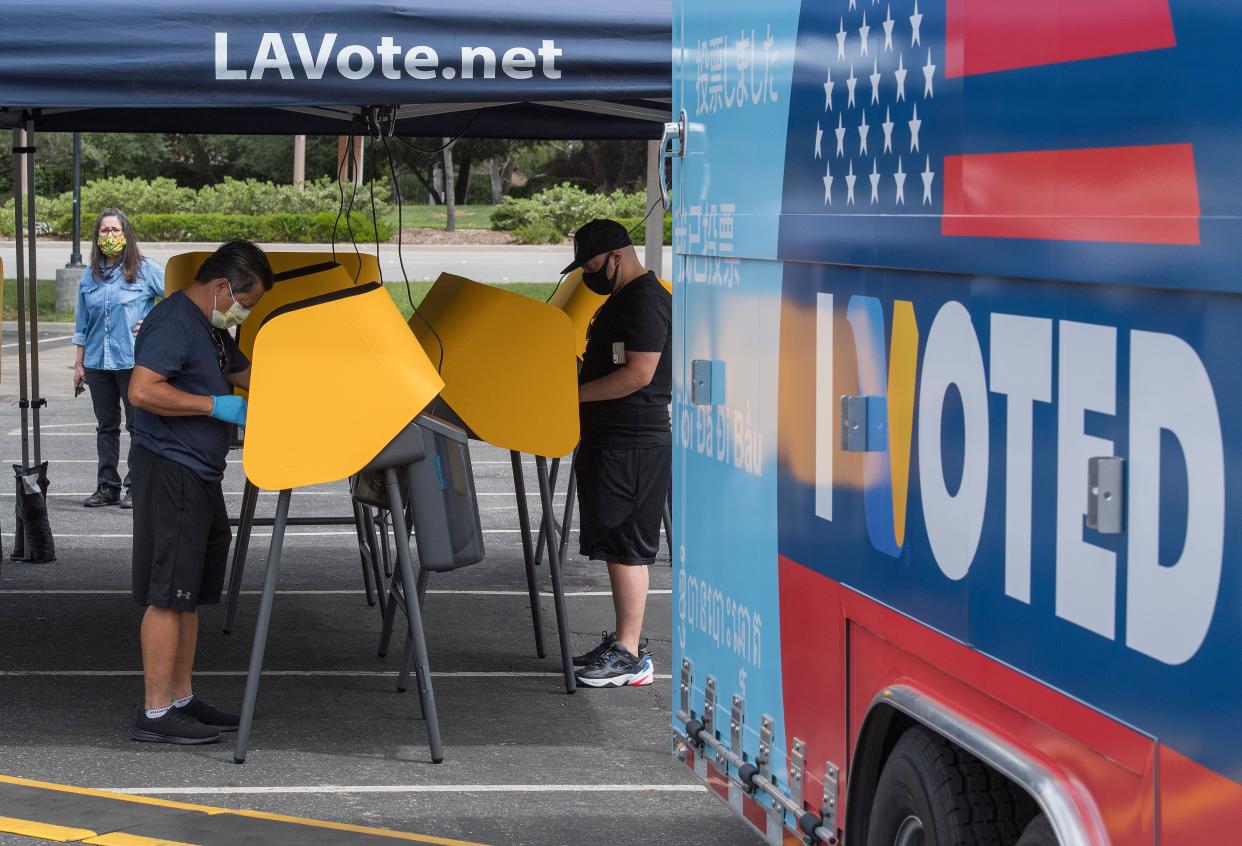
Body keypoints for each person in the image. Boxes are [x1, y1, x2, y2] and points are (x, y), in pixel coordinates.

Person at [127, 240, 273, 744]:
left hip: (200, 474)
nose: (241, 315)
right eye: (244, 304)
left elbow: (246, 373)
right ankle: (155, 711)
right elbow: (143, 390)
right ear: (220, 287)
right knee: (167, 594)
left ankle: (181, 698)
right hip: (171, 469)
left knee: (187, 594)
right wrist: (216, 408)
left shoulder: (210, 328)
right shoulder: (173, 322)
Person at [562, 219, 670, 688]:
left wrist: (573, 396)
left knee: (627, 547)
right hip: (615, 440)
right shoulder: (625, 300)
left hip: (633, 440)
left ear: (617, 257)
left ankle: (630, 656)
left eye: (592, 266)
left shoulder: (644, 302)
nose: (589, 275)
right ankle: (626, 642)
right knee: (617, 545)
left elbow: (638, 375)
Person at [72, 208, 165, 510]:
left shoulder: (144, 269)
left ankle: (136, 486)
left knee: (138, 426)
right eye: (104, 231)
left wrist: (153, 320)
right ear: (96, 237)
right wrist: (79, 364)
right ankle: (107, 486)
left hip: (132, 362)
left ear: (125, 234)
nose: (109, 236)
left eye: (114, 230)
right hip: (98, 363)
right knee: (106, 426)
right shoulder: (89, 276)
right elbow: (82, 325)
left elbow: (178, 296)